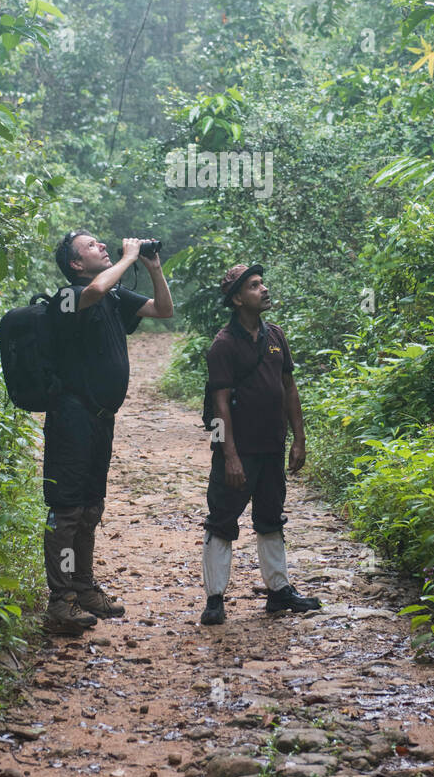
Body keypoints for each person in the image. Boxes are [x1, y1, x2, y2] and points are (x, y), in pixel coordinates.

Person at [43, 231, 173, 636]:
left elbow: (164, 310)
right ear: (76, 264)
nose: (103, 247)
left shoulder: (114, 298)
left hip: (101, 418)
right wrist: (129, 257)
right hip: (71, 417)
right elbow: (97, 288)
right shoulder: (67, 297)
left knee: (90, 508)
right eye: (92, 246)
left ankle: (83, 588)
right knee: (66, 511)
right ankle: (60, 599)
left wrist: (152, 267)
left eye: (104, 244)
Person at [200, 262, 321, 625]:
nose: (263, 289)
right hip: (239, 451)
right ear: (237, 298)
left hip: (271, 447)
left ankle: (279, 592)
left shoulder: (276, 336)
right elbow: (220, 405)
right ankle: (215, 598)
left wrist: (298, 438)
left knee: (271, 518)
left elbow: (289, 389)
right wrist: (230, 456)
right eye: (254, 286)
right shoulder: (223, 345)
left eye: (262, 283)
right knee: (222, 520)